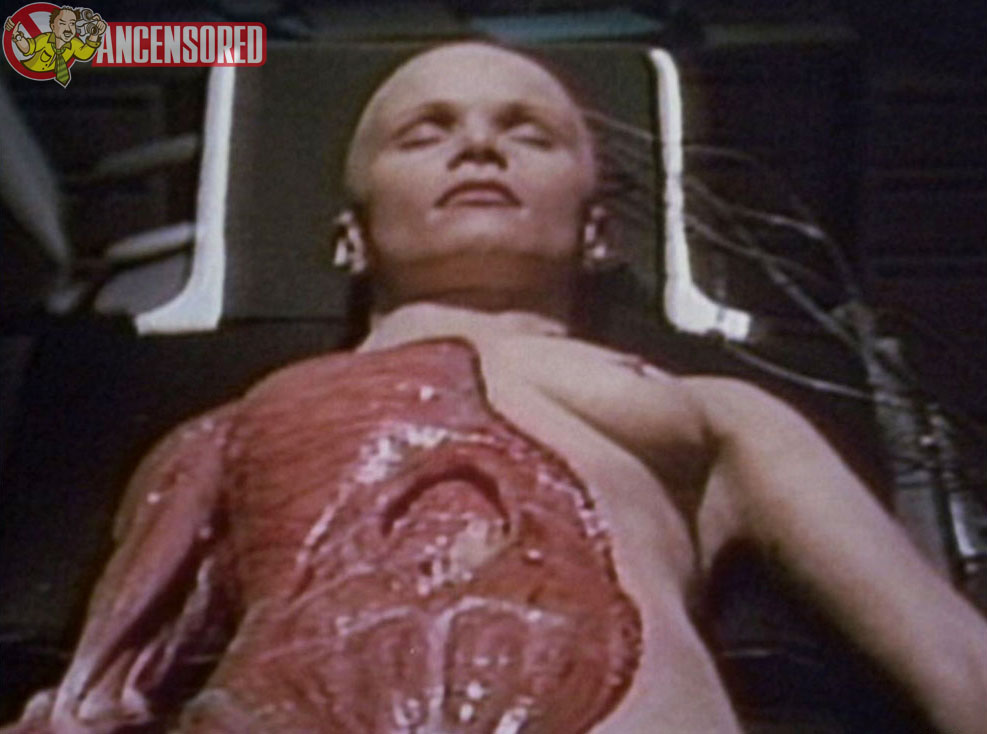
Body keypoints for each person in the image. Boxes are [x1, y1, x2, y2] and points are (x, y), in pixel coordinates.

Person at [3, 41, 986, 734]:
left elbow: (953, 656)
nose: (479, 146)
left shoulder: (709, 405)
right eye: (424, 133)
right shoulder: (241, 416)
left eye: (530, 133)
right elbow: (100, 687)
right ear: (351, 239)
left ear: (596, 232)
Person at [5, 6, 106, 87]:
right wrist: (17, 35)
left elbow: (85, 54)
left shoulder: (74, 43)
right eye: (62, 23)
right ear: (53, 27)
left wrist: (95, 33)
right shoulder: (45, 39)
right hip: (25, 78)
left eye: (72, 24)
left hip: (52, 85)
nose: (68, 29)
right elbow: (27, 48)